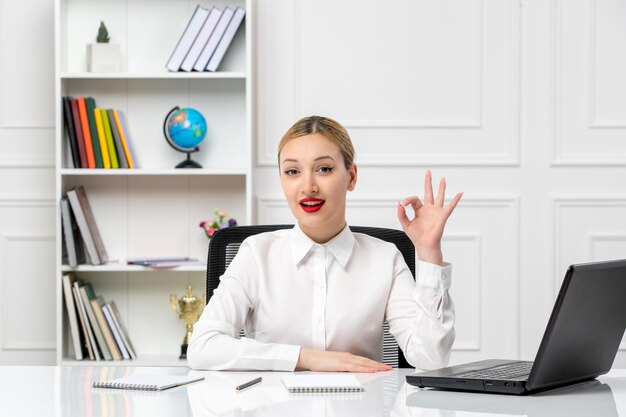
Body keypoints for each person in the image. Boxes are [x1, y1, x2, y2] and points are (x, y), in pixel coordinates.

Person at [187, 116, 463, 372]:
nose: (308, 186)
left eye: (324, 169)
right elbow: (202, 347)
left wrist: (428, 253)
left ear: (351, 177)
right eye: (292, 171)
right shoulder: (256, 254)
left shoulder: (385, 258)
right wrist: (306, 358)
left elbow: (430, 358)